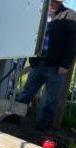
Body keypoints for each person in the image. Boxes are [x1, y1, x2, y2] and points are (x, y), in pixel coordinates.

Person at [16, 0, 76, 130]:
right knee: (27, 92)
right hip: (38, 62)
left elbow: (72, 44)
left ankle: (43, 126)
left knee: (50, 98)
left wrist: (65, 65)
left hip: (55, 66)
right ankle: (15, 115)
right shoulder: (40, 13)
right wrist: (32, 58)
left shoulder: (70, 15)